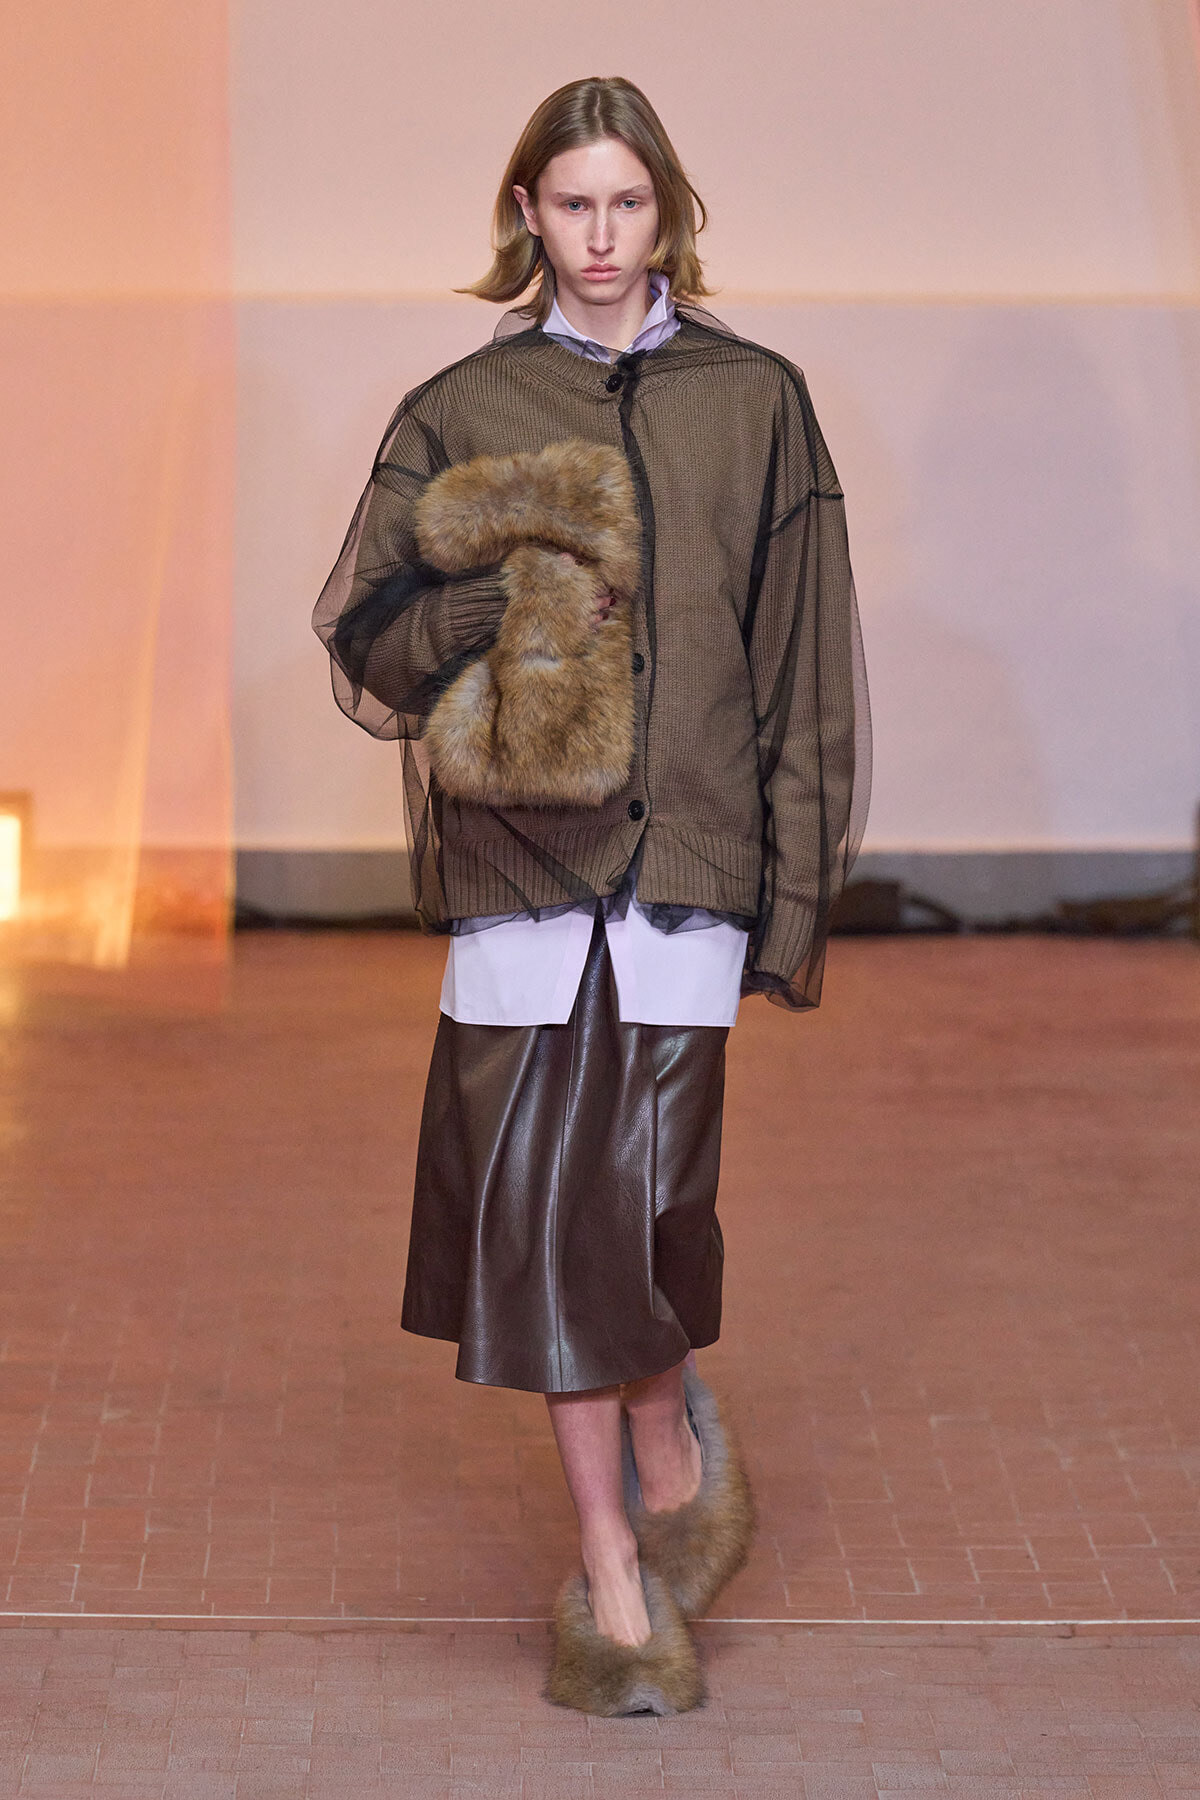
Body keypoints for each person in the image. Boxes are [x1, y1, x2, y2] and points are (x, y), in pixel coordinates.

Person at [313, 75, 870, 1715]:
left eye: (628, 204)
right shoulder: (462, 408)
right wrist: (484, 599)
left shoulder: (755, 401)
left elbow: (802, 664)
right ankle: (616, 1580)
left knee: (645, 1216)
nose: (602, 235)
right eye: (572, 205)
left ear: (667, 212)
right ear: (529, 217)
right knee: (546, 1227)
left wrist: (794, 892)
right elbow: (368, 642)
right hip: (520, 873)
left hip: (686, 862)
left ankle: (661, 1407)